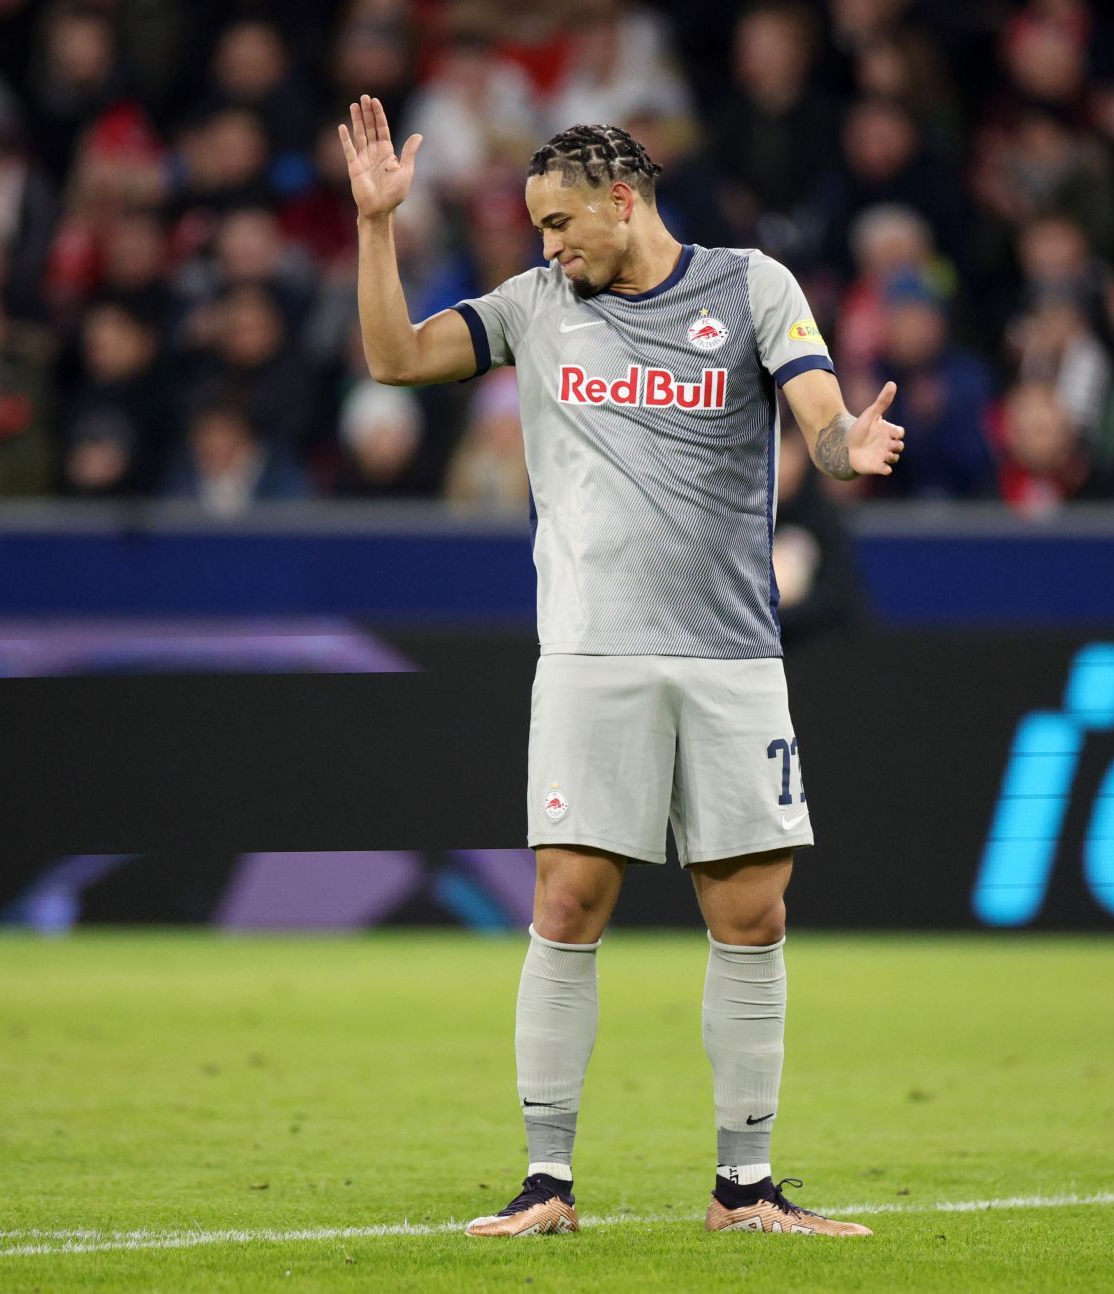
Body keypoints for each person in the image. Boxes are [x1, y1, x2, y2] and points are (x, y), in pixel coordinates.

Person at [340, 97, 900, 1238]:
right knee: (566, 897)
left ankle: (744, 1187)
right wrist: (376, 228)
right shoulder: (535, 308)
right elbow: (395, 358)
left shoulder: (751, 286)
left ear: (623, 200)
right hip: (592, 653)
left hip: (734, 654)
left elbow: (823, 425)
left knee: (752, 913)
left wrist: (852, 447)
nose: (547, 248)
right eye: (537, 229)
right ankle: (547, 1181)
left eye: (559, 225)